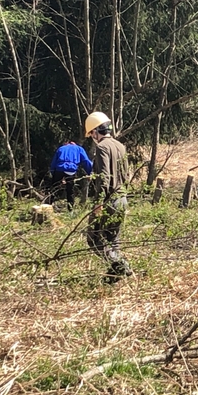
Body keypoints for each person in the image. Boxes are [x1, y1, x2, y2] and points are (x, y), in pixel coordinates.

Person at [84, 111, 132, 283]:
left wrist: (98, 203)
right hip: (122, 199)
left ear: (97, 131)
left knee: (94, 238)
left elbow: (104, 176)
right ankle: (115, 275)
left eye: (91, 134)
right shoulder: (120, 146)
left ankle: (121, 267)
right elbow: (126, 174)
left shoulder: (102, 147)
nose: (91, 137)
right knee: (113, 239)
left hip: (108, 200)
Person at [48, 141, 92, 210]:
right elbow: (86, 161)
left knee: (54, 188)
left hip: (59, 168)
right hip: (71, 170)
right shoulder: (79, 149)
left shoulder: (61, 148)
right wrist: (90, 172)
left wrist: (53, 172)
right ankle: (70, 209)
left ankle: (49, 206)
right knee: (70, 189)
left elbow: (54, 162)